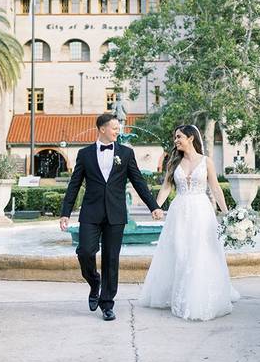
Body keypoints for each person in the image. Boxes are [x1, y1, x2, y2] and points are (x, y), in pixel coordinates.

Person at [59, 113, 164, 321]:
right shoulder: (85, 154)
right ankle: (94, 281)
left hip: (116, 214)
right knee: (85, 251)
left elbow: (138, 182)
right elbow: (74, 184)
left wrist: (154, 206)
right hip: (90, 212)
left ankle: (107, 303)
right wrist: (65, 213)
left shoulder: (125, 153)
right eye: (115, 128)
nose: (119, 131)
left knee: (111, 258)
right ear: (102, 129)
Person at [137, 124, 239, 321]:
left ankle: (198, 297)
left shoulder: (206, 161)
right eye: (175, 137)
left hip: (201, 210)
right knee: (180, 250)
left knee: (201, 251)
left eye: (179, 137)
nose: (176, 141)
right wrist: (156, 207)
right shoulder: (173, 162)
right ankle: (179, 294)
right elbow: (166, 187)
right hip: (179, 210)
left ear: (191, 138)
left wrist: (227, 213)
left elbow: (216, 189)